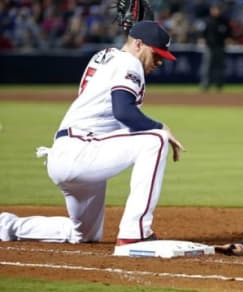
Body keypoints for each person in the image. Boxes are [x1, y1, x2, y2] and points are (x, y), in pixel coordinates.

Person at [0, 21, 185, 245]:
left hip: (70, 153)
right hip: (82, 150)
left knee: (84, 235)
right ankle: (135, 232)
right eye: (156, 54)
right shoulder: (129, 62)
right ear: (138, 44)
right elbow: (124, 112)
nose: (160, 61)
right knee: (156, 139)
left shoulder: (106, 56)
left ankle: (8, 226)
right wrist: (161, 127)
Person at [199, 3, 232, 92]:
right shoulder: (207, 21)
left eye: (218, 10)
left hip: (220, 47)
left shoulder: (224, 21)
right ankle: (205, 85)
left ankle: (219, 85)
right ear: (211, 10)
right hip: (209, 47)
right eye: (214, 9)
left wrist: (228, 39)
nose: (216, 12)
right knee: (207, 67)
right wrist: (202, 39)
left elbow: (229, 33)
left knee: (220, 67)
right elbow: (202, 33)